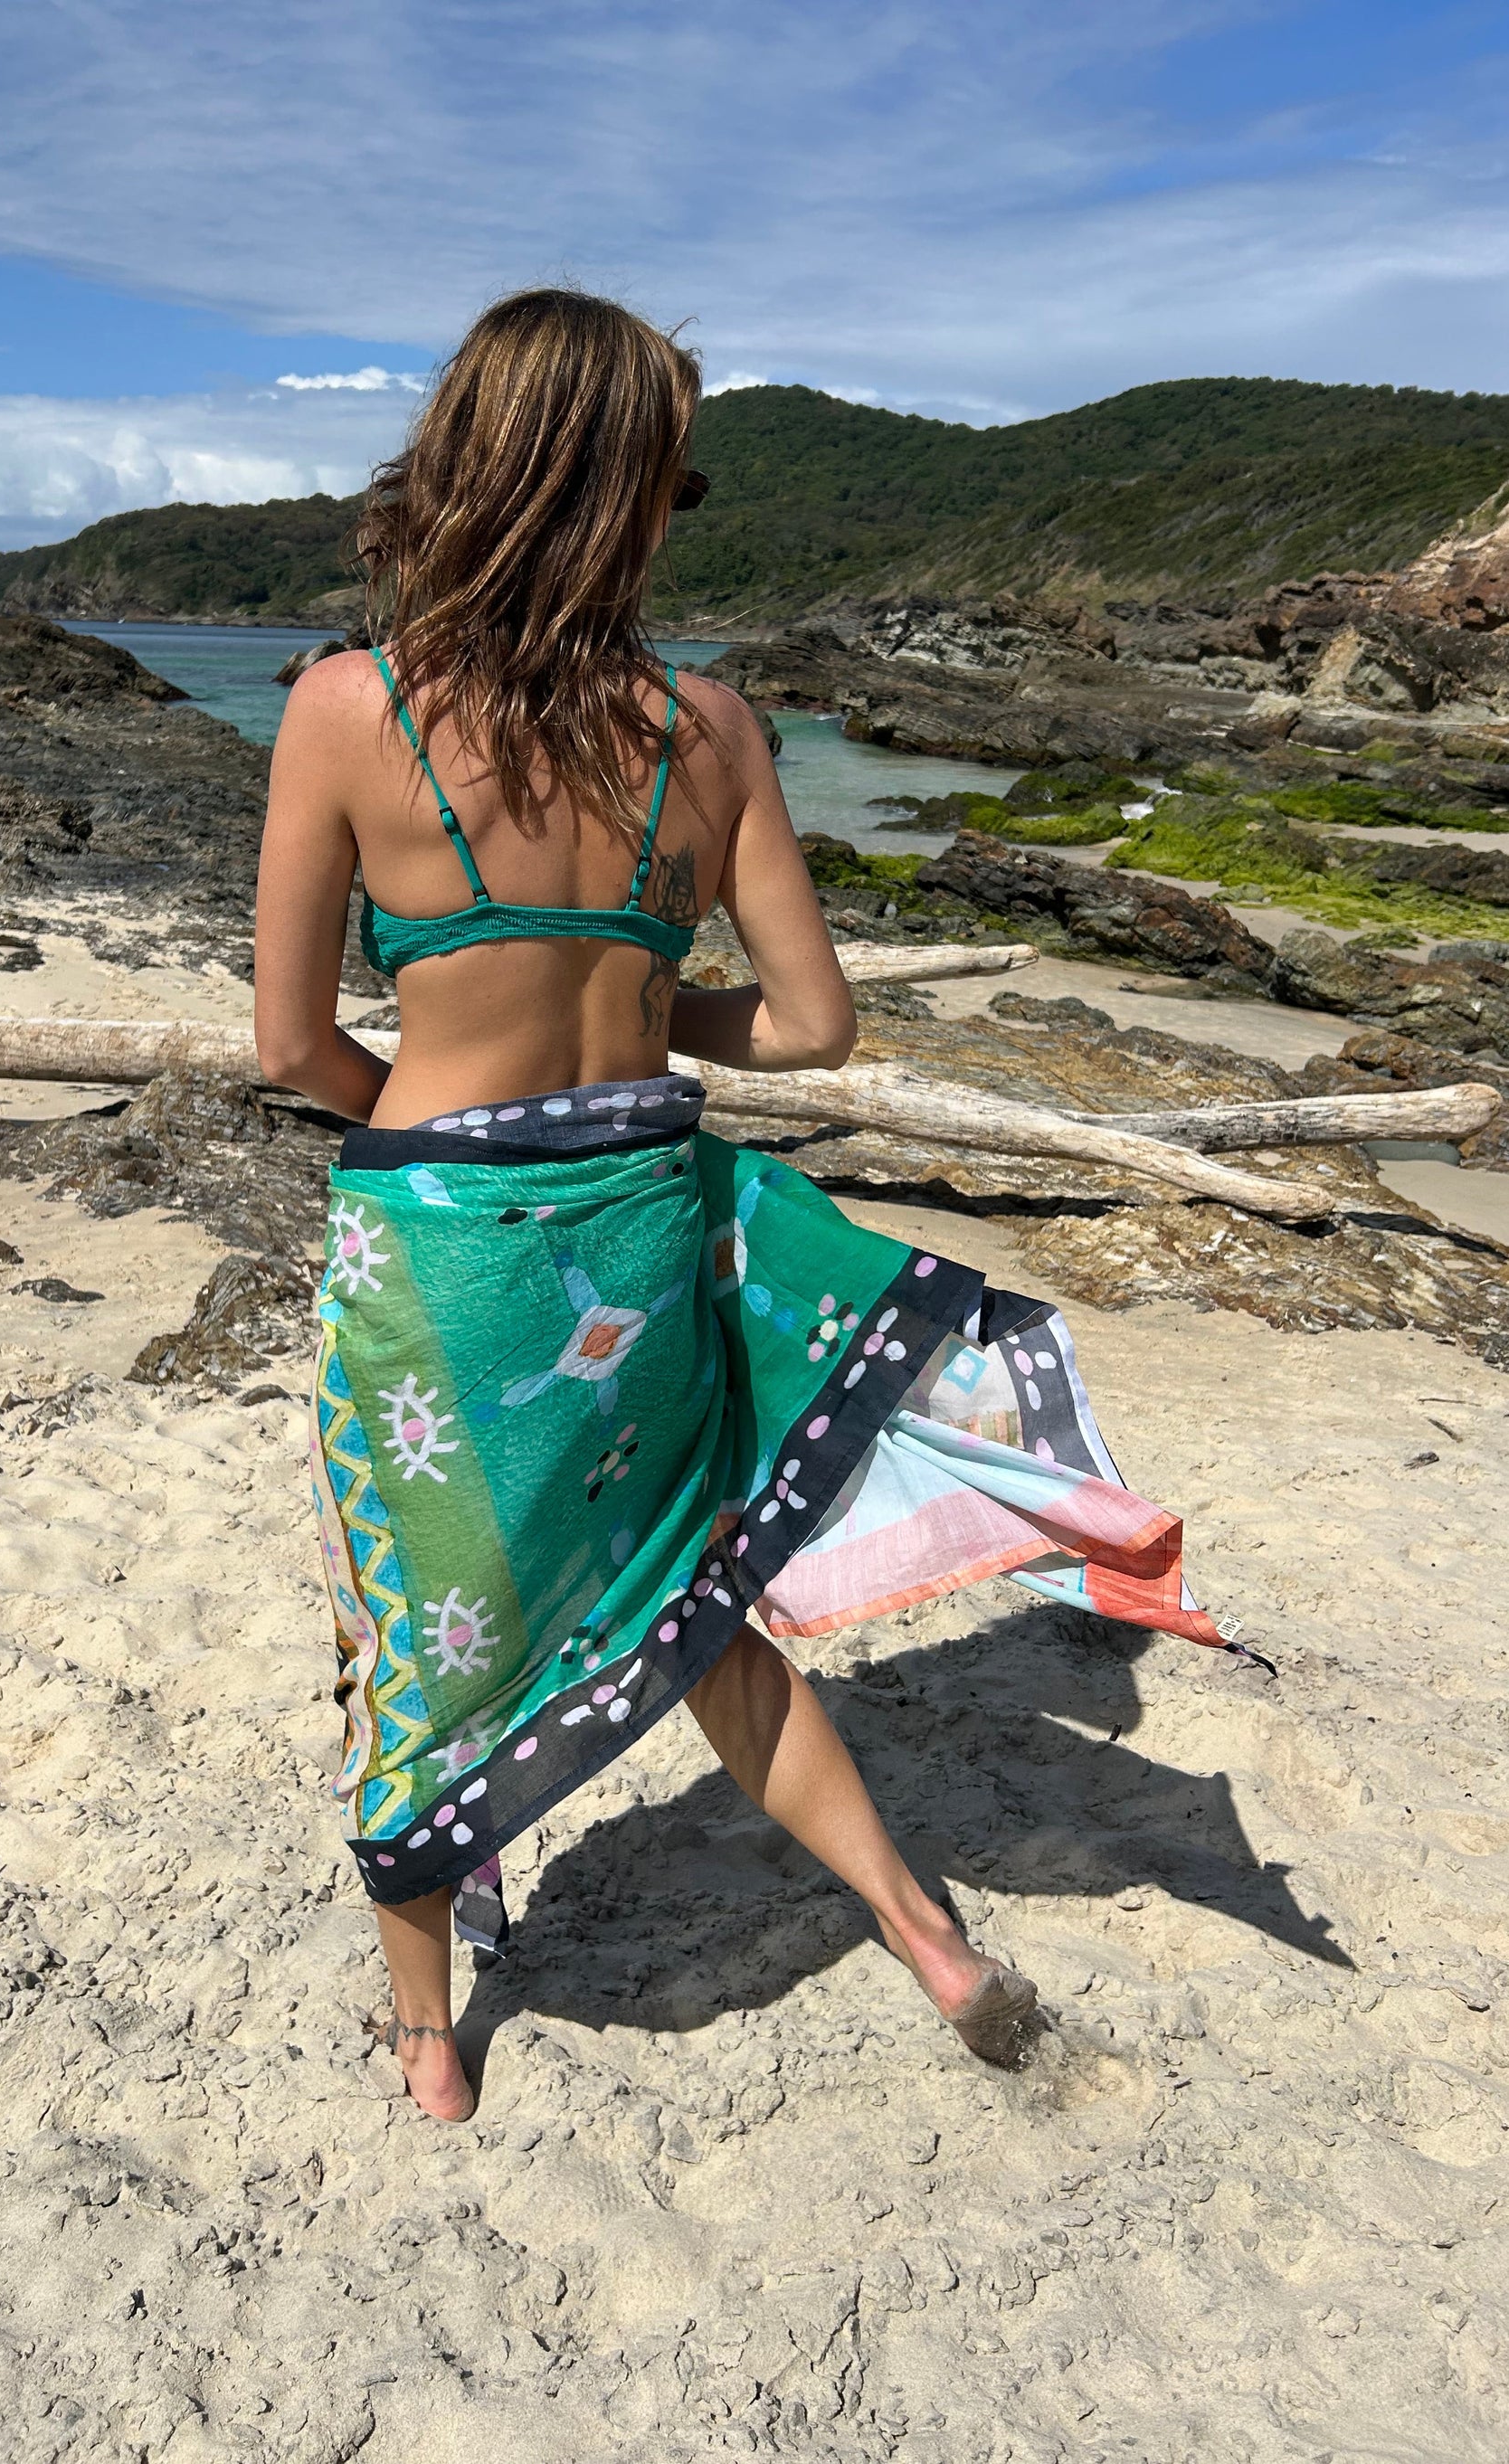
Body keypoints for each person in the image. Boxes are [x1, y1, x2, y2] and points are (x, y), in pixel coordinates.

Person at [253, 289, 1229, 2123]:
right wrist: (620, 1001)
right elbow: (807, 1023)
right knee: (691, 1601)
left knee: (423, 1624)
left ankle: (425, 2040)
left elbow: (296, 1039)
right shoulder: (705, 727)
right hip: (640, 1224)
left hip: (444, 1249)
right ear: (624, 498)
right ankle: (926, 1936)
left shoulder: (340, 711)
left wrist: (460, 1115)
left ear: (466, 466)